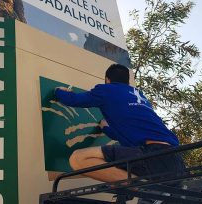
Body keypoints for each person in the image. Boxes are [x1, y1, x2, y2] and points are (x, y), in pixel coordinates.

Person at [54, 64, 185, 183]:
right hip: (175, 160)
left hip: (151, 155)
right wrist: (105, 128)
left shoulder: (106, 90)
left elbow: (75, 100)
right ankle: (147, 187)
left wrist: (58, 91)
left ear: (107, 80)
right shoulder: (139, 96)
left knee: (78, 159)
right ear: (127, 82)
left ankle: (140, 185)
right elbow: (123, 134)